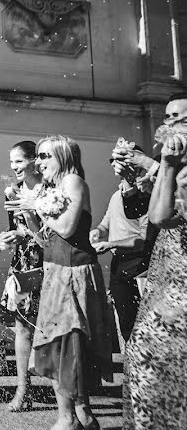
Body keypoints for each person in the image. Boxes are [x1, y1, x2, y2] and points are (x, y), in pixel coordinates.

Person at [8, 135, 113, 430]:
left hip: (75, 272)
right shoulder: (53, 188)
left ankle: (71, 417)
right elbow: (44, 240)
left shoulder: (74, 183)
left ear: (63, 157)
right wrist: (29, 214)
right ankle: (80, 415)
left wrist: (38, 205)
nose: (39, 162)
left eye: (45, 156)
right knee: (58, 344)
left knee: (70, 342)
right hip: (55, 271)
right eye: (38, 156)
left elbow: (67, 228)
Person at [127, 99, 187, 430]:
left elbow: (161, 216)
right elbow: (154, 215)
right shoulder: (174, 166)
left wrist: (158, 165)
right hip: (170, 273)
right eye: (168, 117)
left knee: (150, 351)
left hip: (182, 279)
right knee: (148, 353)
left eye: (183, 119)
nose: (172, 124)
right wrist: (163, 166)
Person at [0, 140, 43, 412]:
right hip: (23, 264)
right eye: (11, 162)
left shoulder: (50, 189)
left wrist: (21, 234)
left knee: (54, 324)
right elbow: (15, 229)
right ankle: (23, 390)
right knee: (22, 326)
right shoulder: (11, 192)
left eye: (19, 161)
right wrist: (4, 239)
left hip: (50, 261)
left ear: (35, 160)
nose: (14, 167)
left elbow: (51, 231)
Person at [89, 145, 149, 343]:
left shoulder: (146, 195)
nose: (115, 165)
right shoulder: (116, 196)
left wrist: (110, 244)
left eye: (121, 159)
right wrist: (97, 232)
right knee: (125, 322)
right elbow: (106, 223)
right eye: (113, 160)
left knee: (142, 322)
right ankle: (131, 367)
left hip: (139, 266)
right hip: (118, 266)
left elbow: (143, 240)